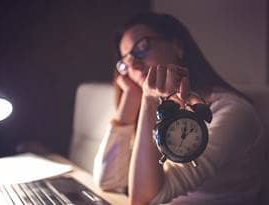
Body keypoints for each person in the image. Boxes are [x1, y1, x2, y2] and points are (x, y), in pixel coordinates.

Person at [93, 12, 265, 205]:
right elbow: (108, 181)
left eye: (142, 47)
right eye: (126, 61)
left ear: (178, 46)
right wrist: (130, 102)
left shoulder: (232, 112)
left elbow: (144, 199)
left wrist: (148, 100)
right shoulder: (161, 106)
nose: (134, 64)